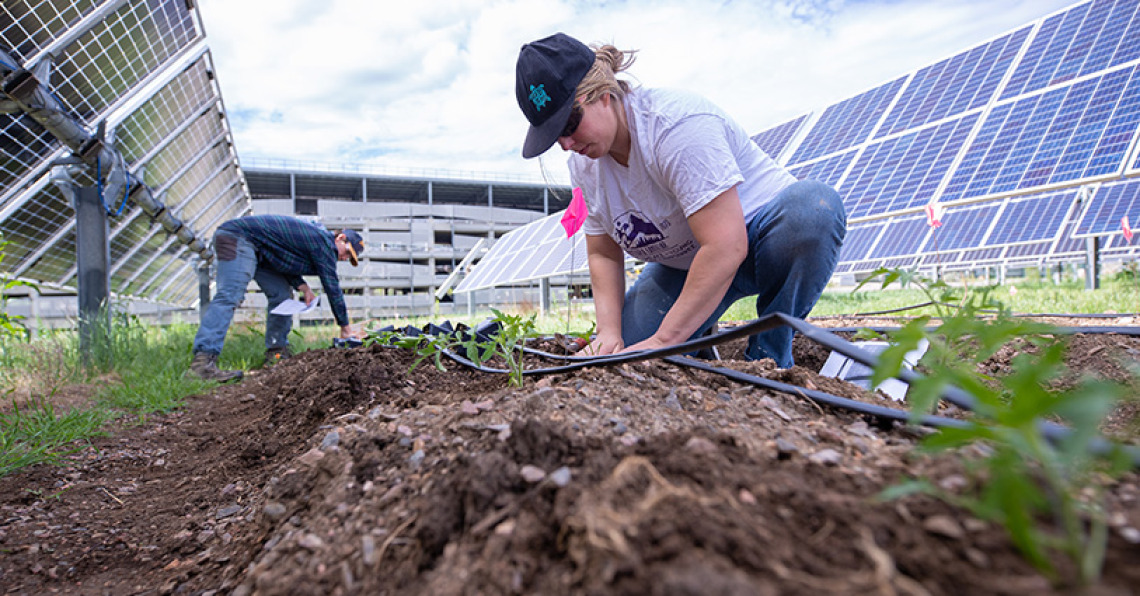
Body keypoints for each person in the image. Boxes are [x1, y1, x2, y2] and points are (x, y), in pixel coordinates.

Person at [514, 33, 846, 368]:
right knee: (624, 355)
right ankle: (697, 337)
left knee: (812, 210)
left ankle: (769, 358)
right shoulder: (584, 165)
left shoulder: (675, 127)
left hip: (760, 240)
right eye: (555, 136)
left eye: (570, 123)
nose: (567, 143)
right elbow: (602, 251)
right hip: (686, 266)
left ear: (603, 94)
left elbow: (726, 246)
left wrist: (664, 341)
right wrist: (608, 333)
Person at [189, 214, 365, 381]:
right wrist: (345, 327)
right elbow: (332, 286)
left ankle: (276, 352)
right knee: (229, 296)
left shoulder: (315, 242)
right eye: (347, 253)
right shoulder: (324, 242)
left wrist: (302, 286)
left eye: (350, 259)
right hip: (238, 237)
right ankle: (202, 363)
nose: (344, 258)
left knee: (282, 296)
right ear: (340, 238)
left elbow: (282, 257)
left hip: (261, 253)